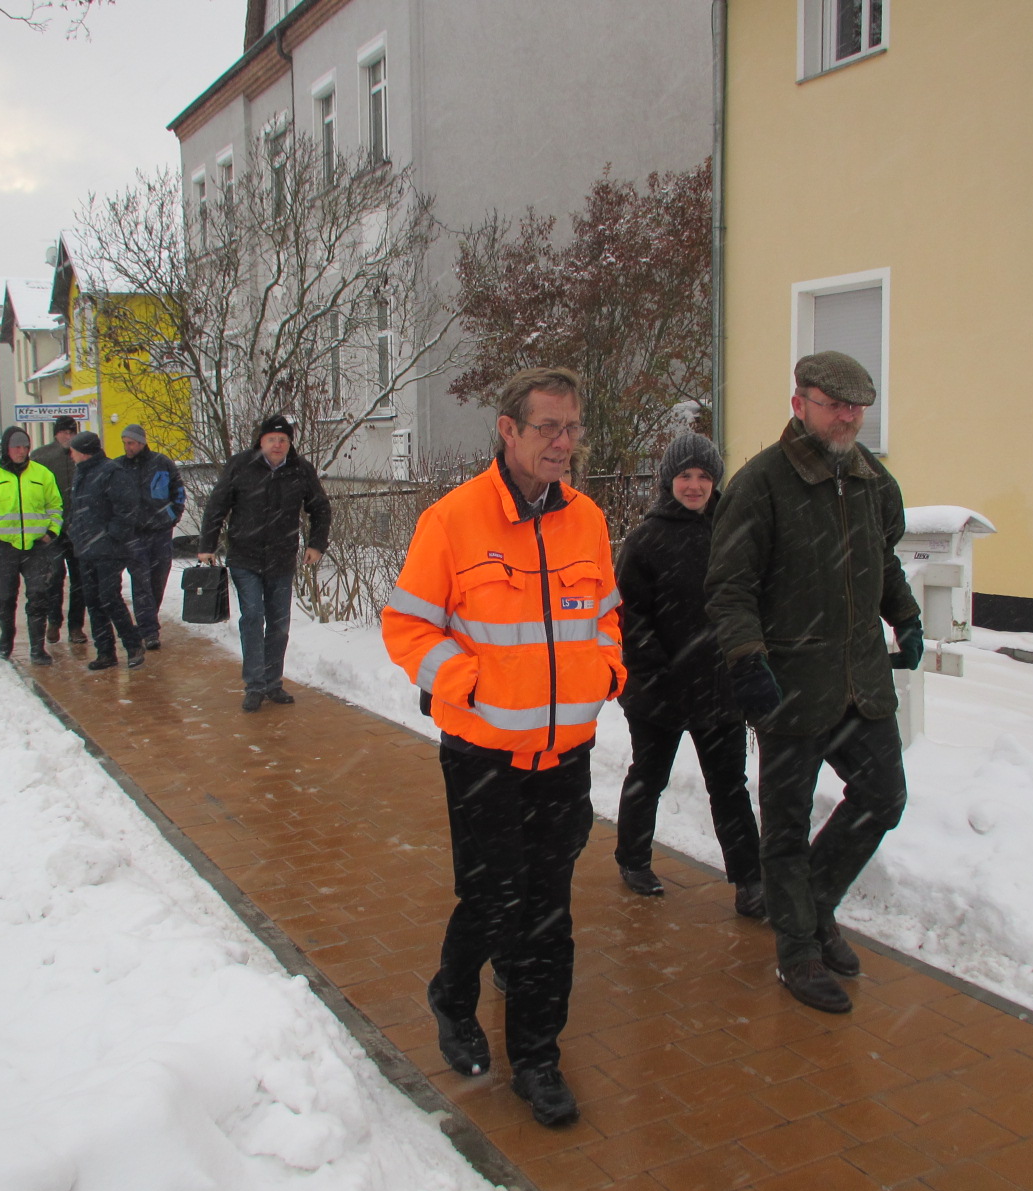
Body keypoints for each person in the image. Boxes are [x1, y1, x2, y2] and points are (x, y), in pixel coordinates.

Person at [381, 367, 624, 1128]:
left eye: (573, 427)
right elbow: (407, 627)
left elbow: (608, 616)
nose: (563, 442)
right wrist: (468, 682)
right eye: (548, 427)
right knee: (494, 898)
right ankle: (454, 998)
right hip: (483, 753)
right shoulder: (454, 521)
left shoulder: (586, 520)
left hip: (566, 754)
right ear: (508, 430)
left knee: (548, 909)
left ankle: (538, 1059)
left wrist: (610, 667)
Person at [706, 351, 923, 1015]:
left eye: (857, 406)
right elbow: (730, 584)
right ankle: (798, 949)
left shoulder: (869, 481)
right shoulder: (761, 484)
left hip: (860, 682)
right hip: (791, 682)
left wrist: (906, 617)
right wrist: (747, 658)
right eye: (834, 404)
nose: (848, 416)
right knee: (787, 827)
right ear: (799, 404)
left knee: (884, 797)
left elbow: (879, 558)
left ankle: (815, 903)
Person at [613, 433, 763, 919]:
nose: (694, 485)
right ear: (668, 480)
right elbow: (631, 619)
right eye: (684, 476)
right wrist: (658, 675)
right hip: (660, 691)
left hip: (721, 689)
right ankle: (633, 859)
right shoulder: (645, 540)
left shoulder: (735, 533)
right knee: (649, 777)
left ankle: (751, 881)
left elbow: (753, 602)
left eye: (703, 476)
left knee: (730, 788)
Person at [197, 415, 331, 712]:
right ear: (261, 440)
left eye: (283, 439)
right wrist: (207, 545)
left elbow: (320, 508)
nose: (278, 444)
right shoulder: (241, 466)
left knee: (279, 624)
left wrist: (316, 544)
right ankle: (254, 685)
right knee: (253, 617)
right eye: (272, 439)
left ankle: (274, 683)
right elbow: (217, 505)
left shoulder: (300, 470)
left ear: (290, 443)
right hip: (245, 556)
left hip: (281, 559)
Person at [0, 426, 63, 665]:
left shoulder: (42, 474)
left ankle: (37, 648)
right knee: (4, 597)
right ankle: (6, 637)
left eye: (25, 447)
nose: (22, 451)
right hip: (4, 548)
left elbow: (55, 506)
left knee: (39, 596)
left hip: (36, 547)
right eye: (16, 447)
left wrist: (51, 532)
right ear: (5, 449)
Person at [66, 431, 146, 671]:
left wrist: (112, 535)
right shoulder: (82, 472)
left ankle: (133, 645)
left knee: (109, 597)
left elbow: (127, 508)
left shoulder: (111, 472)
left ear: (83, 451)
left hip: (109, 549)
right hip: (87, 548)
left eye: (73, 450)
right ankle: (105, 652)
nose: (70, 455)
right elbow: (79, 509)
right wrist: (74, 530)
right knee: (93, 600)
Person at [118, 424, 186, 652]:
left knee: (158, 581)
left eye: (131, 443)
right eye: (125, 443)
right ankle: (149, 631)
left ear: (142, 442)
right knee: (141, 582)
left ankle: (148, 622)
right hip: (134, 534)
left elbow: (178, 490)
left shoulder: (162, 463)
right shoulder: (118, 467)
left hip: (160, 532)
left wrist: (173, 516)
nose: (128, 447)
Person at [30, 416, 85, 645]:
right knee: (54, 577)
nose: (68, 436)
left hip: (79, 528)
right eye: (64, 432)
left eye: (72, 432)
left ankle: (76, 626)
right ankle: (54, 621)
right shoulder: (41, 457)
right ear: (56, 433)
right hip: (52, 529)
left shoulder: (83, 455)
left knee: (80, 580)